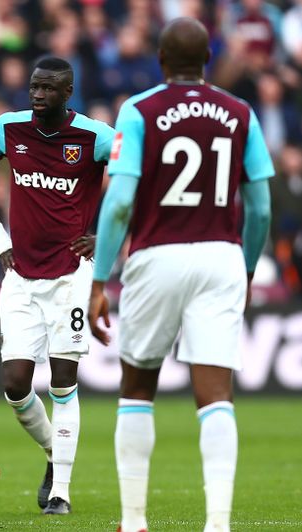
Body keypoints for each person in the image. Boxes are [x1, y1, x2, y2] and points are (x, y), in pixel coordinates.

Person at [88, 18, 273, 532]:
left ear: (161, 60)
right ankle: (218, 524)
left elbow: (119, 201)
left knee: (136, 388)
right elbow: (260, 207)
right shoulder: (241, 112)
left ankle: (133, 521)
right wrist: (248, 267)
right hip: (221, 256)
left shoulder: (139, 110)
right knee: (216, 395)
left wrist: (99, 279)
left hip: (158, 255)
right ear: (209, 59)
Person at [0, 56, 115, 516]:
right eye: (34, 87)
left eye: (48, 88)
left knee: (63, 383)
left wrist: (106, 234)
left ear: (68, 92)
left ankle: (60, 491)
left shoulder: (95, 136)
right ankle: (54, 450)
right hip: (20, 276)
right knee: (15, 385)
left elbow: (135, 180)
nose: (37, 95)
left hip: (72, 274)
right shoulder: (8, 128)